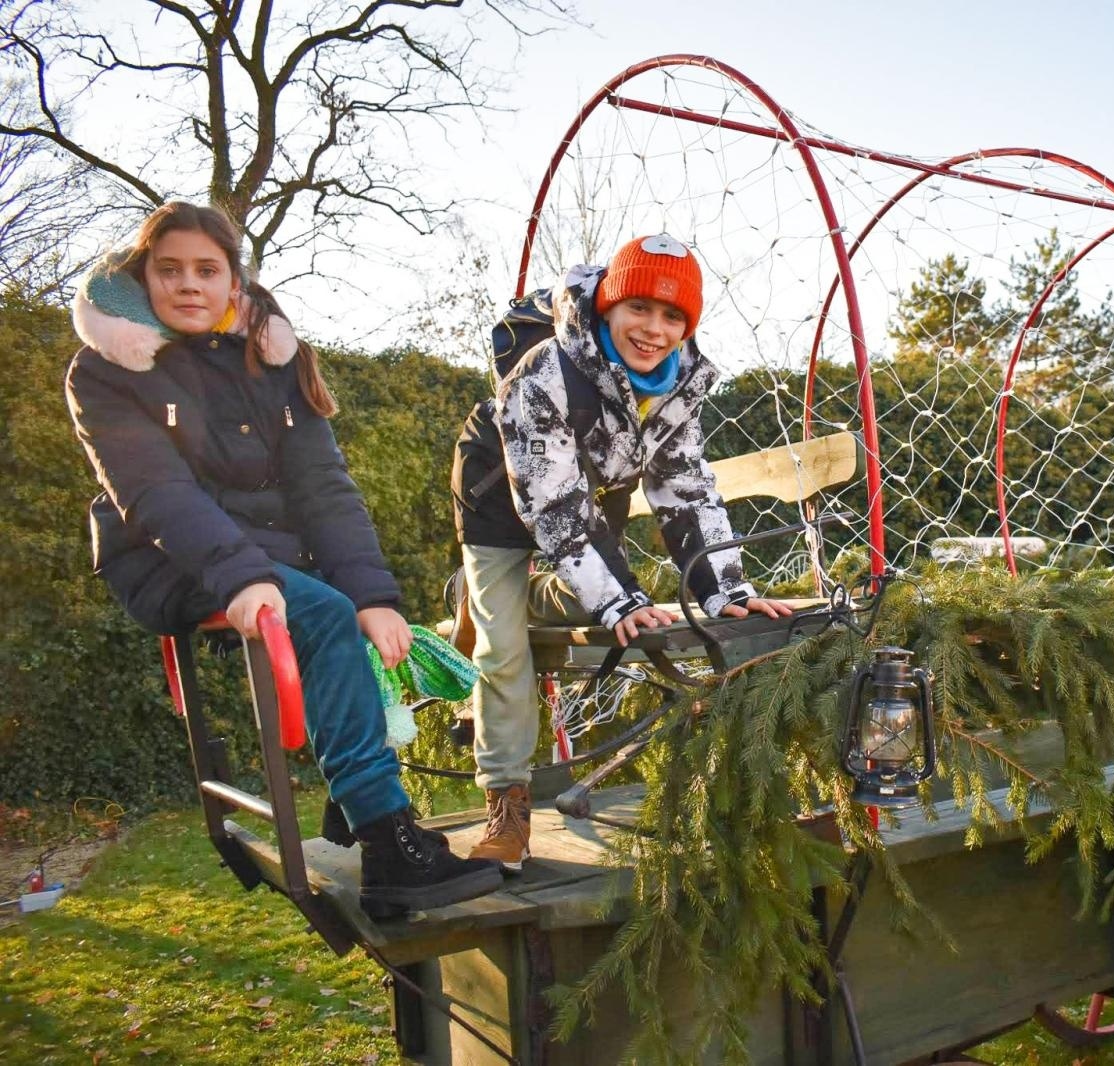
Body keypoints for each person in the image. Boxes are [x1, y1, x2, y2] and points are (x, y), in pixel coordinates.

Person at [65, 201, 502, 919]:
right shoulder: (106, 370)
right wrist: (242, 580)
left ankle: (352, 803)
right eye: (168, 269)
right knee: (323, 613)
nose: (188, 285)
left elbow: (322, 486)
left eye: (207, 270)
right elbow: (154, 491)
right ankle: (390, 846)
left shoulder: (271, 360)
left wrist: (374, 594)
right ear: (144, 278)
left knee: (354, 615)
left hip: (271, 551)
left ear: (234, 283)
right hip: (166, 554)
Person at [456, 234, 791, 870]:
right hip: (501, 494)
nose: (654, 330)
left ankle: (494, 590)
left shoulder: (680, 382)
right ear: (608, 304)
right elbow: (551, 505)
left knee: (581, 596)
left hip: (592, 486)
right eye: (639, 307)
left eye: (673, 316)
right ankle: (507, 802)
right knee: (504, 644)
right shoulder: (545, 373)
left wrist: (728, 589)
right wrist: (619, 598)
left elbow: (684, 485)